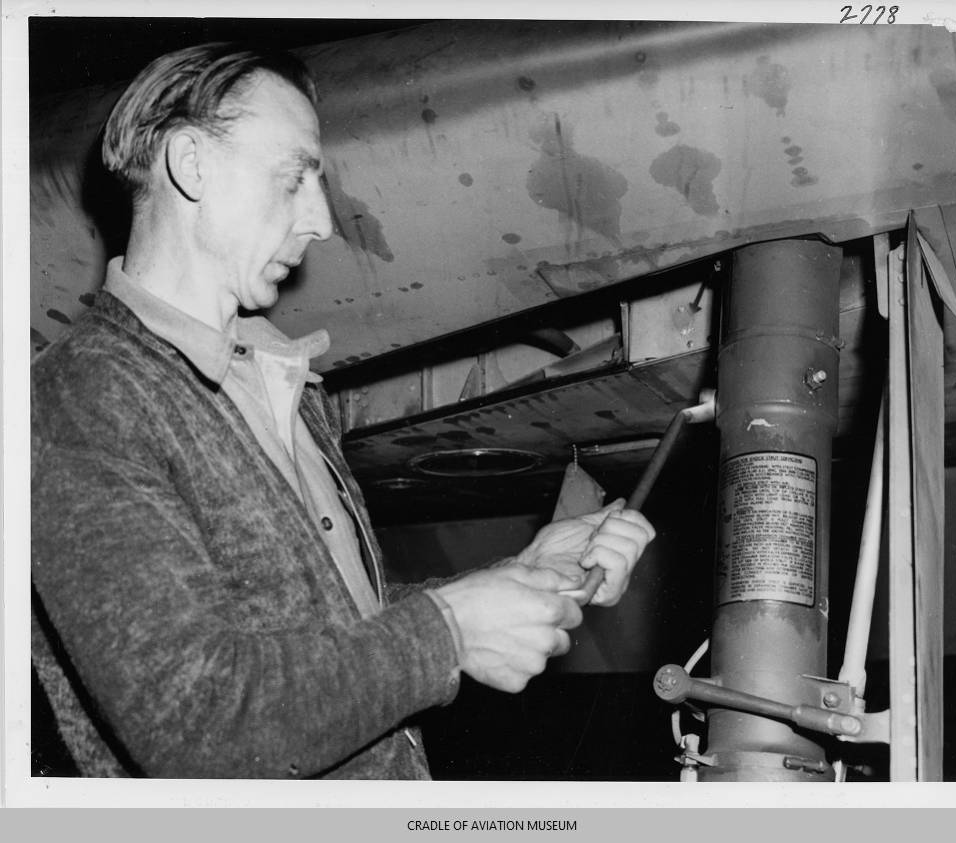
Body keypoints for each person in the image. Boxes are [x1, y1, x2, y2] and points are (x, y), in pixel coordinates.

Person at [30, 42, 655, 780]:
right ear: (190, 164)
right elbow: (196, 721)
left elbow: (337, 624)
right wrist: (451, 633)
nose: (323, 220)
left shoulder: (277, 382)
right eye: (295, 176)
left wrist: (516, 575)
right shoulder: (81, 395)